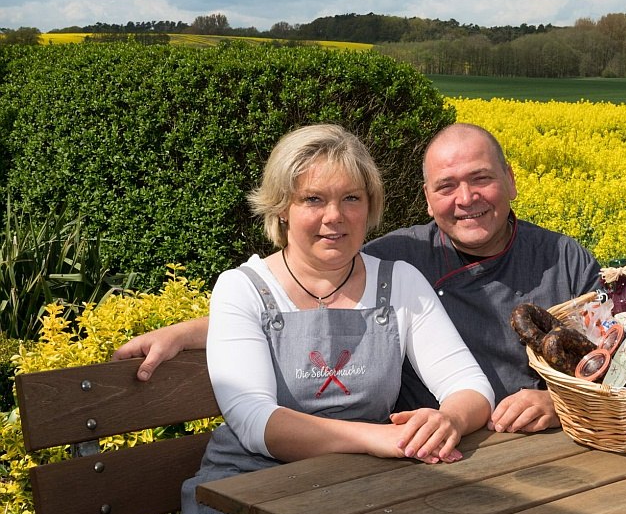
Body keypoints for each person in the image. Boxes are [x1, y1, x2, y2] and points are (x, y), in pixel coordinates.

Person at [114, 123, 600, 434]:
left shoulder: (566, 259)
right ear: (427, 199)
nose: (466, 198)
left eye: (481, 179)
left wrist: (561, 402)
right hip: (420, 450)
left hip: (528, 444)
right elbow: (314, 298)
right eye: (446, 186)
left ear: (511, 180)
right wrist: (189, 331)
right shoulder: (401, 258)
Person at [178, 124, 493, 514]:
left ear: (369, 206)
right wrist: (379, 438)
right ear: (282, 209)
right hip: (246, 493)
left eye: (351, 198)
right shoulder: (242, 288)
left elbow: (468, 384)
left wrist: (449, 419)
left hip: (365, 490)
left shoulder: (399, 282)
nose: (334, 216)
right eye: (313, 199)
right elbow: (255, 420)